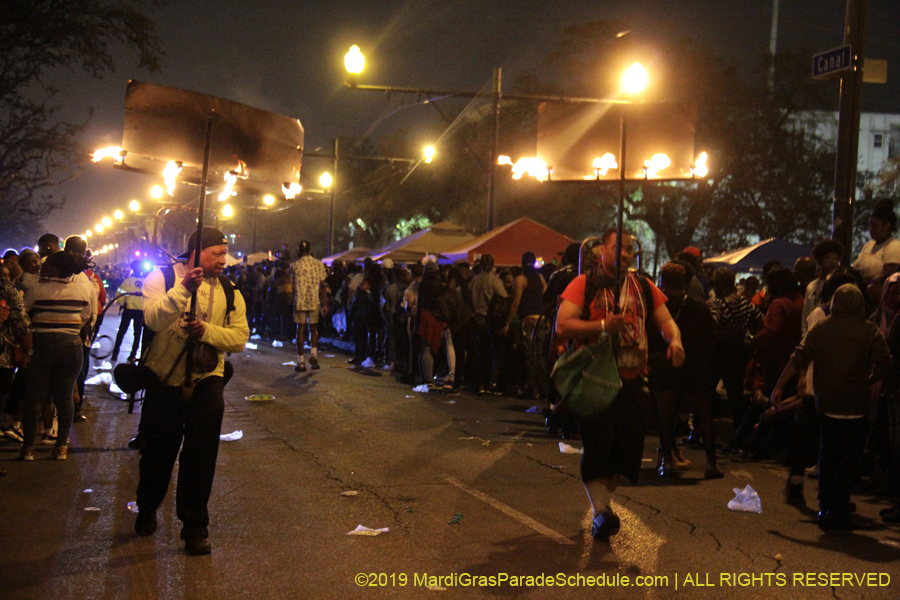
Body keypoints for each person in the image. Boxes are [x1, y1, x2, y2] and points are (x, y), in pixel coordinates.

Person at [556, 228, 684, 542]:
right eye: (618, 248)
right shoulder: (582, 285)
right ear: (602, 250)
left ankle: (603, 504)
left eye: (629, 249)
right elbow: (563, 324)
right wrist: (601, 325)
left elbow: (665, 321)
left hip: (633, 379)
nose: (624, 254)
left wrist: (675, 340)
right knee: (599, 446)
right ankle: (601, 513)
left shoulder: (643, 286)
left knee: (626, 450)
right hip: (595, 380)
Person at [135, 227, 249, 556]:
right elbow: (154, 320)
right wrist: (184, 290)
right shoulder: (161, 279)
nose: (223, 260)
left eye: (224, 253)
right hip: (164, 377)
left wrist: (207, 331)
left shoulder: (229, 290)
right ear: (196, 253)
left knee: (200, 457)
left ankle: (195, 526)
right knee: (159, 452)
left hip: (207, 377)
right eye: (217, 253)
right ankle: (146, 507)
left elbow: (239, 338)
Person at [771, 284, 891, 530]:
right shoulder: (869, 331)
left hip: (827, 404)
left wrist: (779, 386)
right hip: (857, 405)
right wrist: (870, 380)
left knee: (827, 455)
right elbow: (885, 363)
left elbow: (798, 357)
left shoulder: (821, 328)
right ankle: (839, 508)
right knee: (849, 459)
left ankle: (825, 505)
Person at [20, 251, 95, 460]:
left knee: (35, 397)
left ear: (55, 268)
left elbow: (23, 312)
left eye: (48, 264)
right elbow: (86, 317)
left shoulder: (37, 288)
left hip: (41, 344)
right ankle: (61, 447)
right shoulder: (82, 289)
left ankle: (28, 449)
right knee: (64, 398)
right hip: (71, 347)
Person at [291, 240, 327, 373]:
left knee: (300, 329)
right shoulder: (318, 264)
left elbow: (293, 285)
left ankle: (301, 362)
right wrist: (325, 303)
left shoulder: (295, 265)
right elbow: (322, 285)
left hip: (300, 301)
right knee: (313, 328)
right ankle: (314, 355)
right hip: (314, 300)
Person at [853, 198, 900, 283]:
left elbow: (889, 277)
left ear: (887, 226)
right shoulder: (869, 245)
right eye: (870, 225)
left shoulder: (894, 246)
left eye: (875, 226)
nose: (871, 229)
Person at [801, 240, 843, 336]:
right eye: (827, 259)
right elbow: (805, 315)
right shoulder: (811, 286)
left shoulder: (840, 285)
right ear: (820, 262)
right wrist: (804, 335)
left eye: (835, 260)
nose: (831, 263)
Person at [112, 260, 145, 363]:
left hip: (129, 309)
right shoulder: (146, 281)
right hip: (139, 311)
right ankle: (132, 355)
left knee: (122, 332)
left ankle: (115, 354)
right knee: (137, 334)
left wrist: (121, 303)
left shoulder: (128, 281)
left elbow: (121, 293)